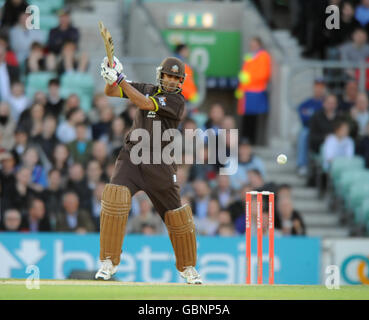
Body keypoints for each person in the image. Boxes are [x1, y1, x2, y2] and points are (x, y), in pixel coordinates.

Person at [96, 55, 202, 283]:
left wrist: (120, 78)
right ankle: (108, 261)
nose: (171, 81)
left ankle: (188, 268)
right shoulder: (147, 88)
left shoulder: (177, 102)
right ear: (160, 75)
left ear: (181, 81)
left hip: (161, 162)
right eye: (168, 76)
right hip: (132, 157)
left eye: (176, 77)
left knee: (177, 216)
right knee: (115, 197)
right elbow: (111, 92)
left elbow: (144, 103)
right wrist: (110, 76)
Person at [235, 37, 271, 144]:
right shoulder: (250, 56)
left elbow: (263, 74)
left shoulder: (263, 56)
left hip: (256, 91)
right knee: (246, 118)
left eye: (254, 44)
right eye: (251, 44)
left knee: (252, 119)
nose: (252, 46)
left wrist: (248, 78)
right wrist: (240, 88)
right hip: (246, 92)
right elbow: (245, 73)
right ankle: (245, 140)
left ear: (259, 44)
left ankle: (250, 141)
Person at [296, 78, 326, 176]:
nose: (319, 89)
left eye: (321, 87)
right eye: (317, 86)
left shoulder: (326, 103)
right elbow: (304, 120)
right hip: (310, 129)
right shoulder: (306, 104)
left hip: (322, 131)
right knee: (303, 133)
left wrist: (312, 116)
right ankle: (302, 165)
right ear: (313, 88)